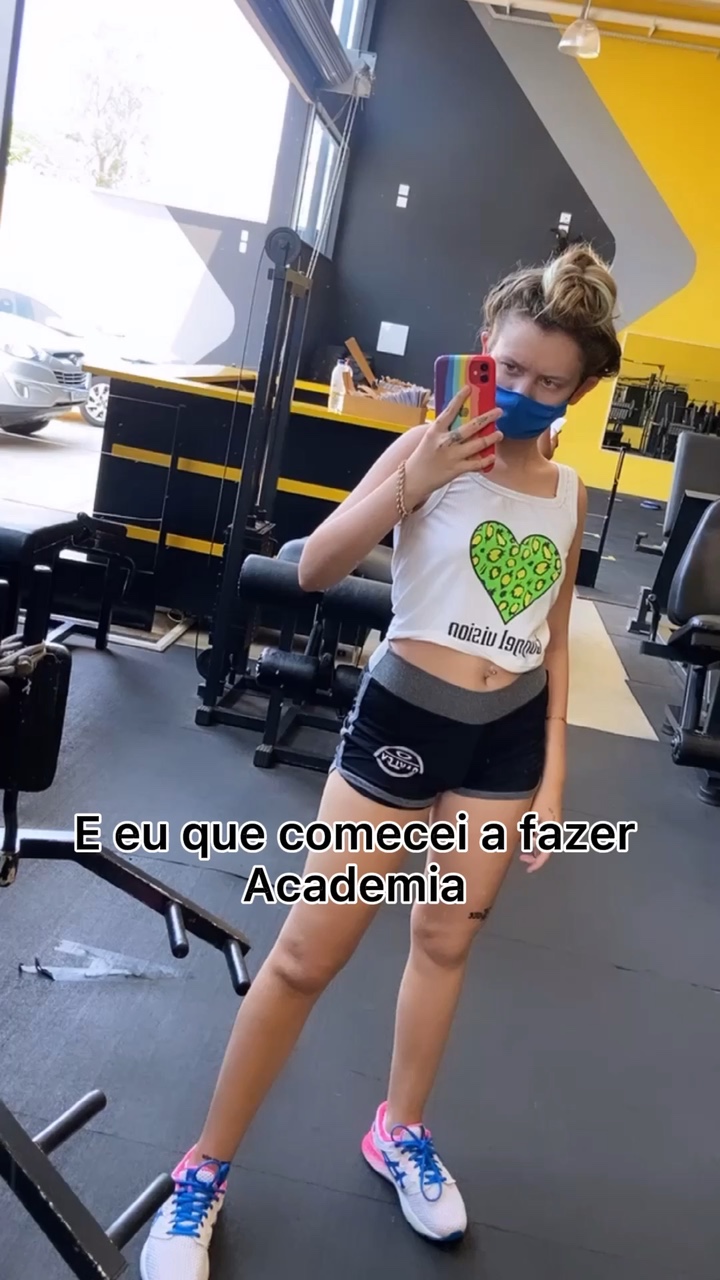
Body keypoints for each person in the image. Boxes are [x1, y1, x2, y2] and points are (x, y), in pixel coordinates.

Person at [139, 243, 621, 1280]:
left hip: (504, 742)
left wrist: (554, 775)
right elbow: (312, 567)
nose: (526, 392)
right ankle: (202, 1170)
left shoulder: (570, 490)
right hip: (403, 720)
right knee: (306, 957)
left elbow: (550, 638)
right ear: (480, 351)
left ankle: (398, 1129)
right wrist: (418, 477)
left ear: (579, 392)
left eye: (551, 382)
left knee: (444, 943)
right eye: (512, 367)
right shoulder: (422, 448)